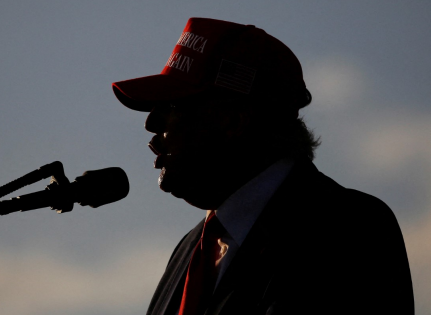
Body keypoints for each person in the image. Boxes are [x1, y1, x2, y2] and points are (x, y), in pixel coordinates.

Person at [112, 18, 414, 315]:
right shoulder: (189, 251)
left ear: (232, 121)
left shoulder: (349, 227)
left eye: (172, 106)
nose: (150, 123)